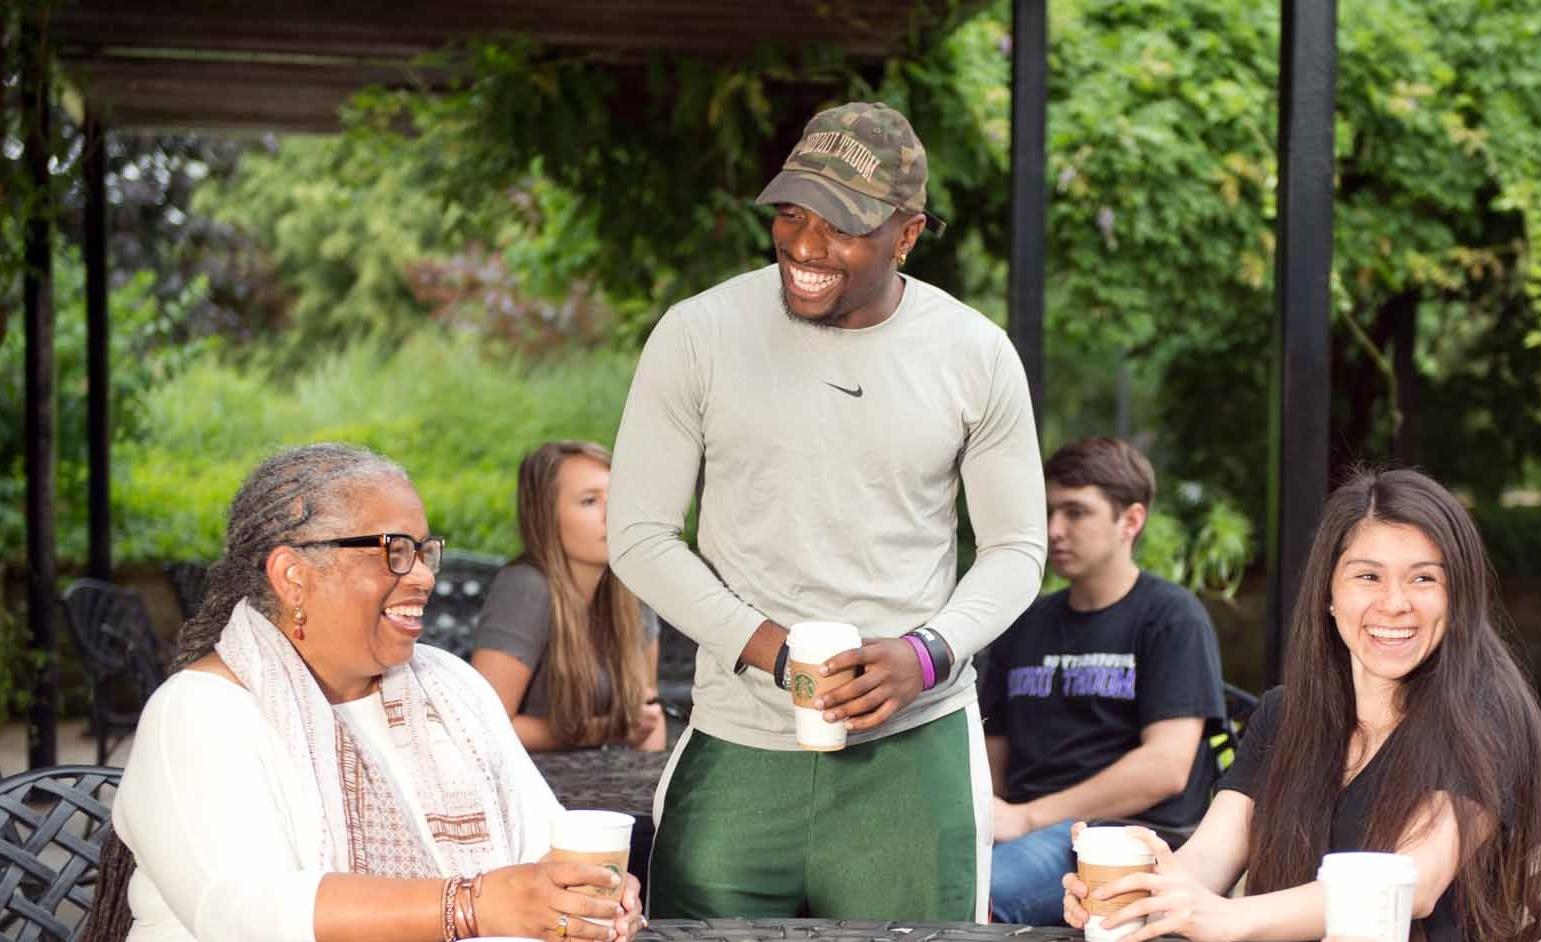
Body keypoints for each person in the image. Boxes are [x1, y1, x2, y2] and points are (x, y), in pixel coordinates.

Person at [607, 100, 1046, 922]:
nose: (804, 247)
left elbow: (1018, 548)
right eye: (792, 213)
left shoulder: (975, 355)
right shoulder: (696, 334)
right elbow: (637, 536)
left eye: (842, 227)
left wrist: (924, 655)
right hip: (738, 740)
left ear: (907, 234)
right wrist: (774, 653)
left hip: (913, 752)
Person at [93, 443, 643, 942]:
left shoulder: (452, 688)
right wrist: (472, 906)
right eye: (394, 549)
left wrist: (583, 892)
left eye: (425, 551)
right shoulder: (199, 713)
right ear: (292, 575)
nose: (424, 576)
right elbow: (246, 913)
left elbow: (540, 849)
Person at [1060, 468, 1541, 942]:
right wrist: (1147, 887)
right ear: (1329, 594)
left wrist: (1230, 919)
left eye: (1424, 579)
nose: (1396, 603)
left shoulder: (1486, 717)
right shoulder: (1287, 715)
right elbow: (1211, 857)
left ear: (1458, 595)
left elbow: (1412, 886)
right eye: (1368, 577)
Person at [979, 437, 1226, 925]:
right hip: (1022, 833)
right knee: (912, 882)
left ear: (1130, 521)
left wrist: (1029, 817)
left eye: (1076, 512)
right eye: (1049, 511)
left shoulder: (1171, 618)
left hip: (1120, 841)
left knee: (978, 897)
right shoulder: (1023, 624)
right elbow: (992, 753)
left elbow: (1166, 766)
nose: (1054, 530)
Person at [472, 440, 666, 753]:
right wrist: (600, 732)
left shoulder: (632, 588)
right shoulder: (526, 589)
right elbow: (482, 726)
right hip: (532, 788)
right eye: (590, 501)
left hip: (608, 786)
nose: (612, 514)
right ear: (547, 518)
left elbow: (649, 715)